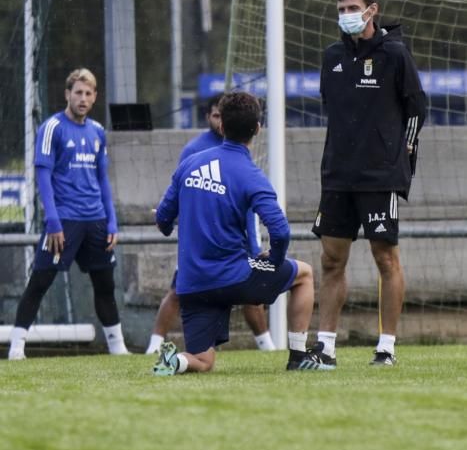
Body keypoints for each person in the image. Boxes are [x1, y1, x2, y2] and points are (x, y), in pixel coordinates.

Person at [152, 91, 335, 375]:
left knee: (202, 360)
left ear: (221, 125)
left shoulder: (189, 163)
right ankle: (299, 356)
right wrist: (273, 260)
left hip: (193, 283)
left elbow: (163, 220)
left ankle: (176, 360)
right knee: (305, 274)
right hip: (234, 276)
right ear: (258, 130)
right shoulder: (252, 175)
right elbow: (281, 231)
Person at [312, 0, 426, 366]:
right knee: (331, 260)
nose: (346, 15)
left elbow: (416, 108)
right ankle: (325, 346)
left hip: (380, 176)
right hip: (338, 176)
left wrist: (401, 158)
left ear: (372, 9)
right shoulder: (331, 57)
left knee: (385, 259)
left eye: (352, 8)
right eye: (341, 10)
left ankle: (386, 347)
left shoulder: (395, 54)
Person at [8, 68, 129, 360]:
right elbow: (43, 175)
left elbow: (102, 180)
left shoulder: (98, 131)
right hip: (64, 222)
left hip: (96, 221)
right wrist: (53, 221)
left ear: (95, 96)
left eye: (88, 93)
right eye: (78, 93)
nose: (83, 98)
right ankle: (16, 347)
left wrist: (111, 221)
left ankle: (118, 348)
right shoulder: (52, 128)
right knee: (40, 281)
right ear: (67, 94)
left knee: (105, 285)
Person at [145, 94, 276, 355]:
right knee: (177, 291)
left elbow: (250, 206)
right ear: (209, 117)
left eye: (222, 116)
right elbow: (179, 193)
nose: (219, 121)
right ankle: (154, 345)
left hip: (237, 237)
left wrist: (254, 243)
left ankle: (267, 345)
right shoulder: (194, 151)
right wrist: (168, 218)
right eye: (215, 116)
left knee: (250, 293)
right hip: (199, 242)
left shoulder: (242, 156)